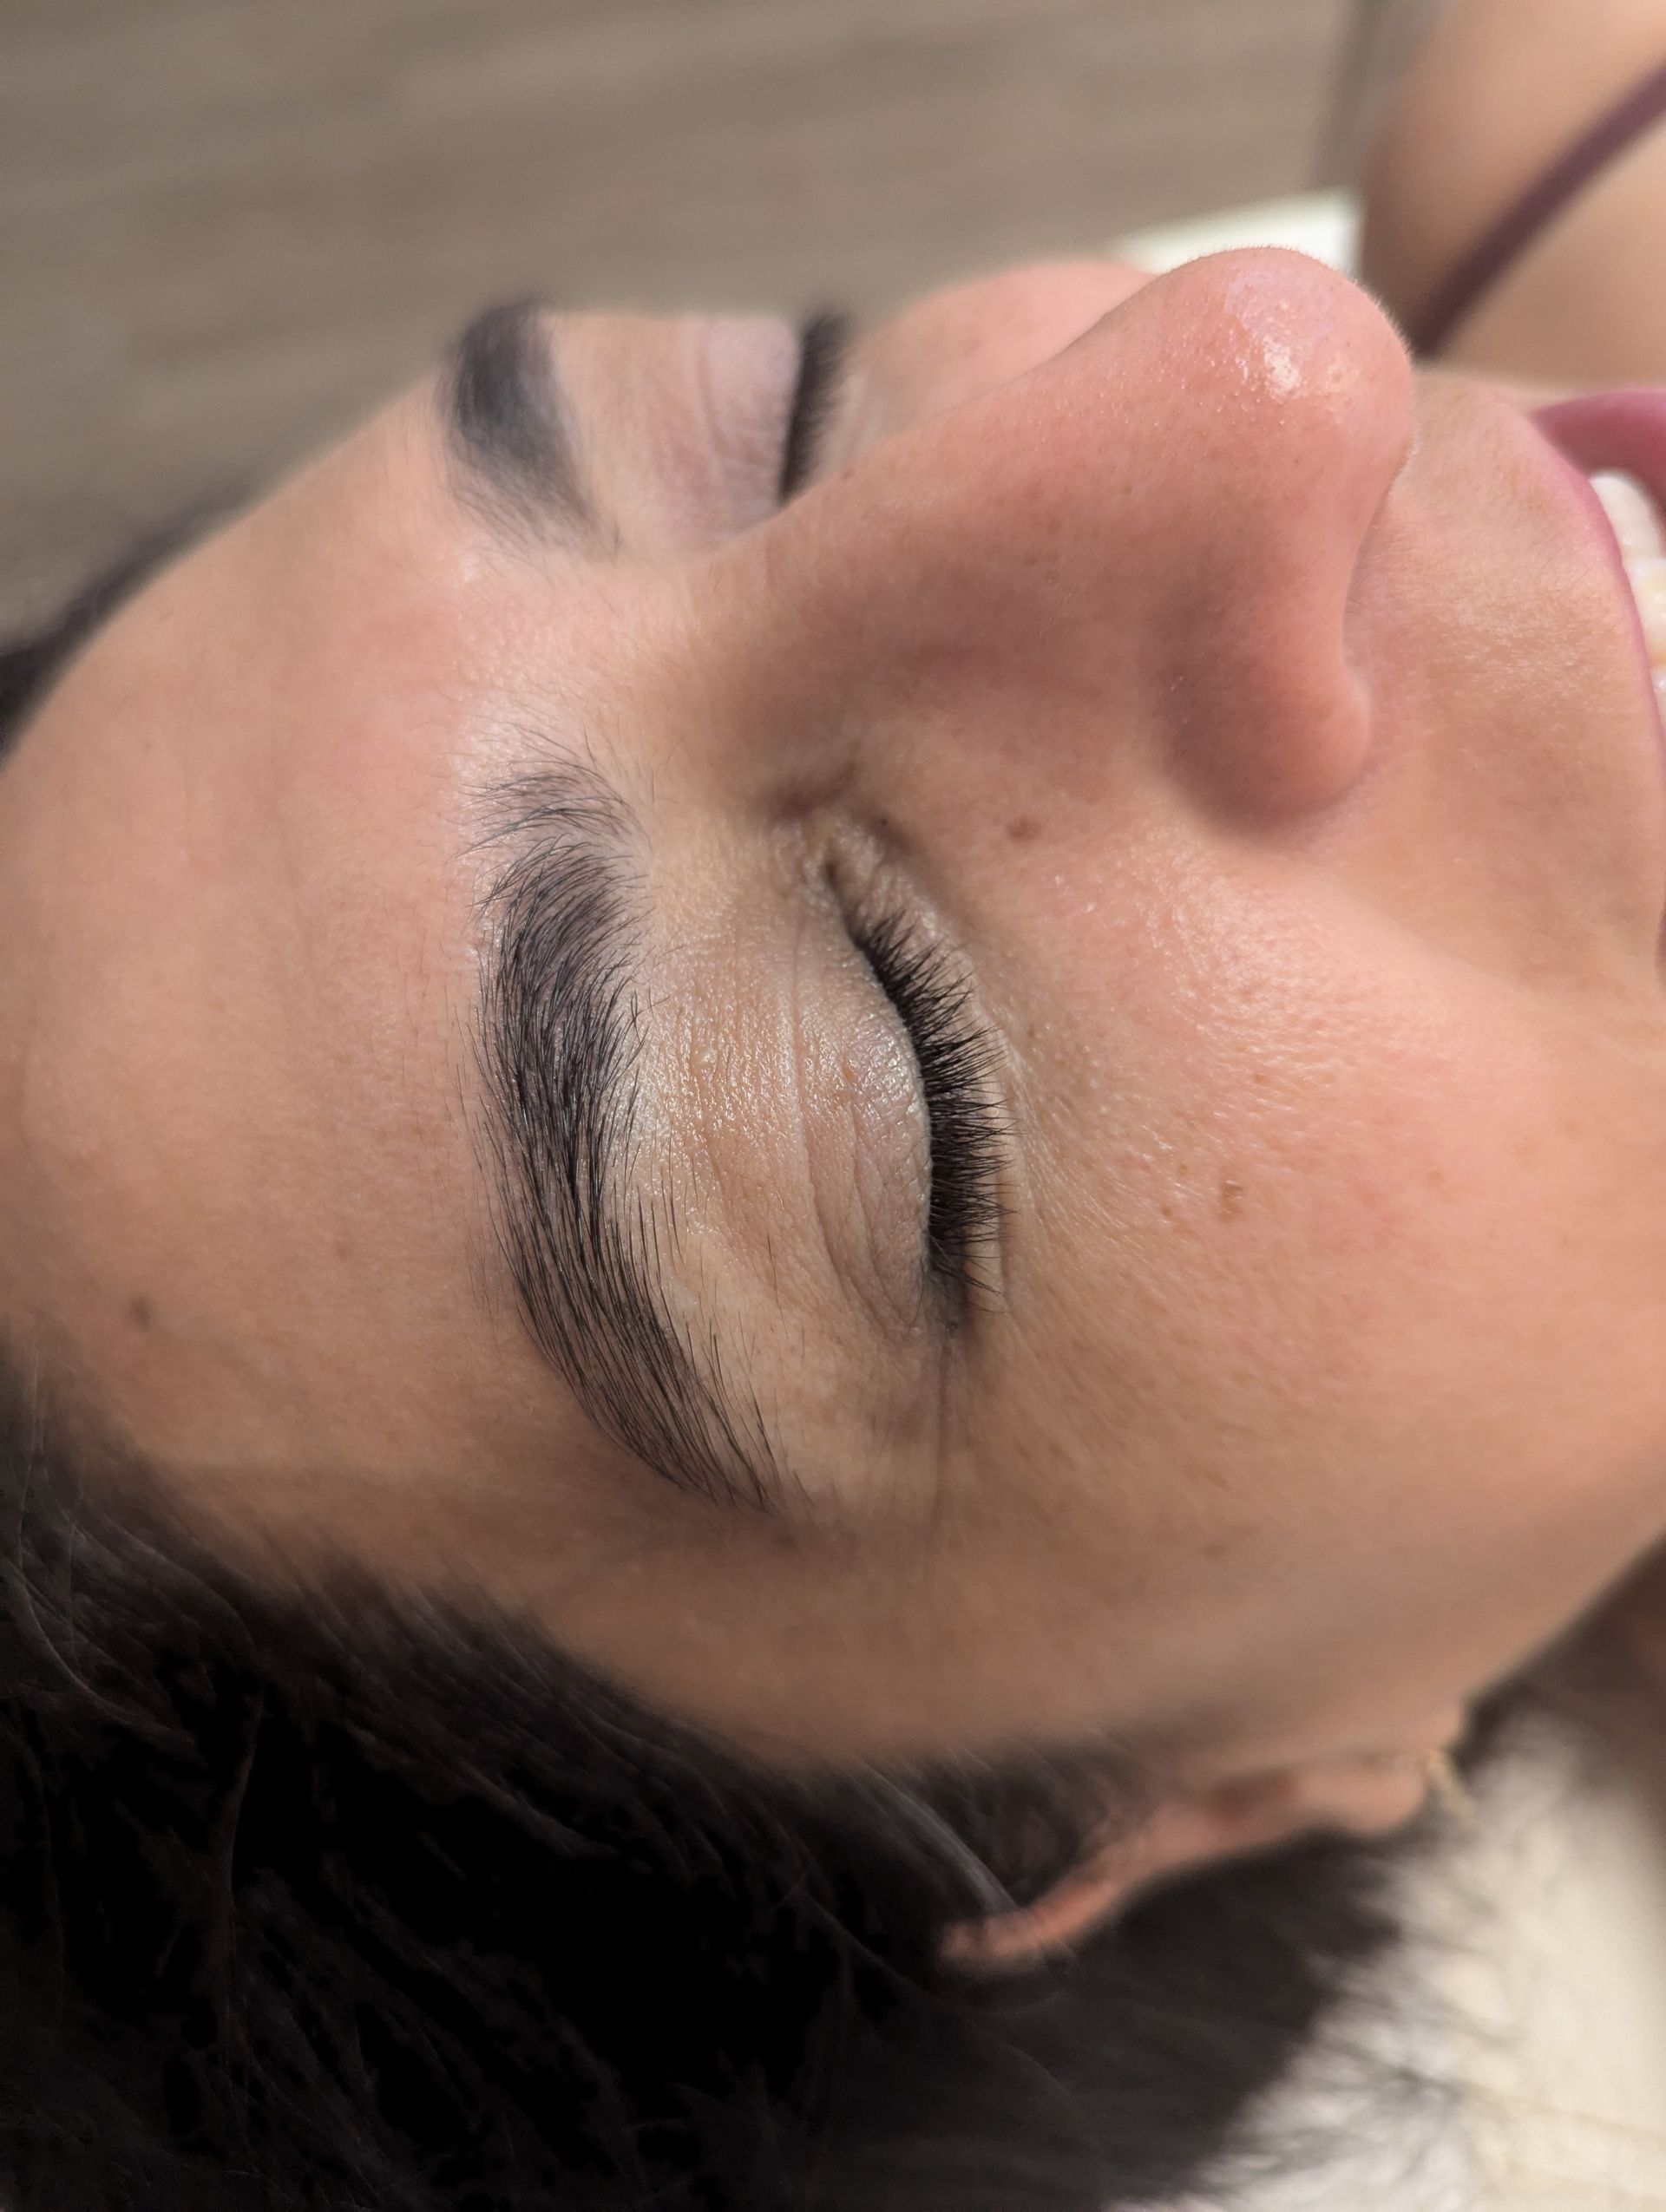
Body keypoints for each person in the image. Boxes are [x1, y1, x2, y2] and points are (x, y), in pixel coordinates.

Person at [2, 0, 1666, 2203]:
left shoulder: (1548, 113)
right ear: (1229, 1789)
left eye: (774, 417)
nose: (1271, 355)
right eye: (895, 1056)